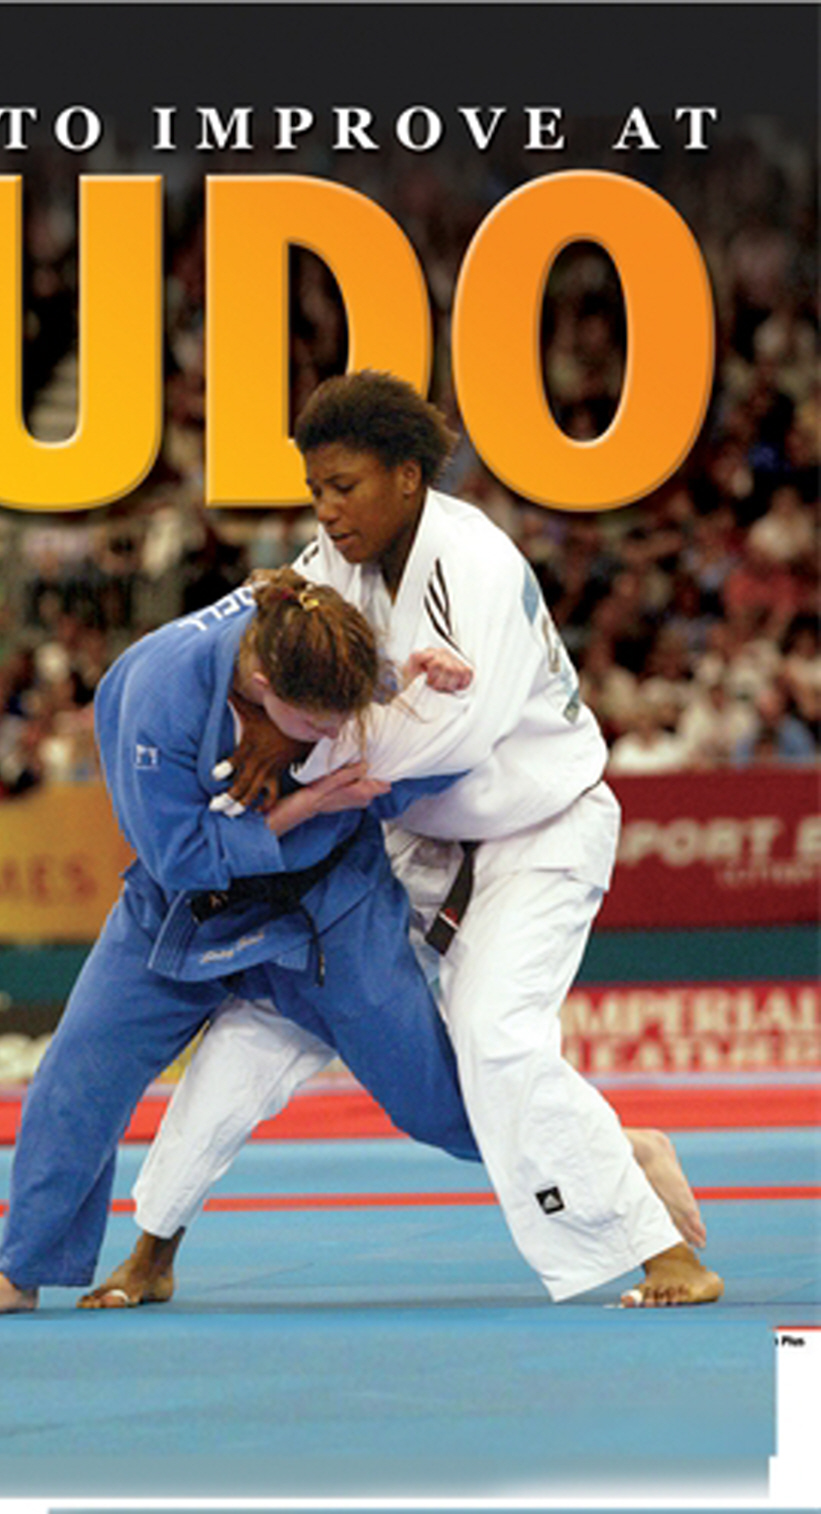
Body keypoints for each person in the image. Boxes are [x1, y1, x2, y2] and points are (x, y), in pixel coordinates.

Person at [86, 371, 723, 1312]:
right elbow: (278, 646)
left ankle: (665, 1254)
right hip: (408, 840)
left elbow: (451, 738)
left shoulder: (474, 564)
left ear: (406, 477)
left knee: (494, 1038)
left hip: (534, 834)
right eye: (315, 489)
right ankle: (152, 1245)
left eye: (344, 486)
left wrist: (296, 752)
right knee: (263, 1017)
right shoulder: (330, 563)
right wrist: (260, 710)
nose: (326, 508)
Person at [0, 567, 482, 1319]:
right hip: (184, 908)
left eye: (340, 720)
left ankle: (604, 1157)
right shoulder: (157, 696)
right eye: (313, 723)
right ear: (260, 684)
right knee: (79, 1074)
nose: (332, 736)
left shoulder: (305, 632)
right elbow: (180, 859)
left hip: (328, 906)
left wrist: (412, 678)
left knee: (434, 1102)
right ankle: (22, 1270)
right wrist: (304, 804)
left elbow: (383, 713)